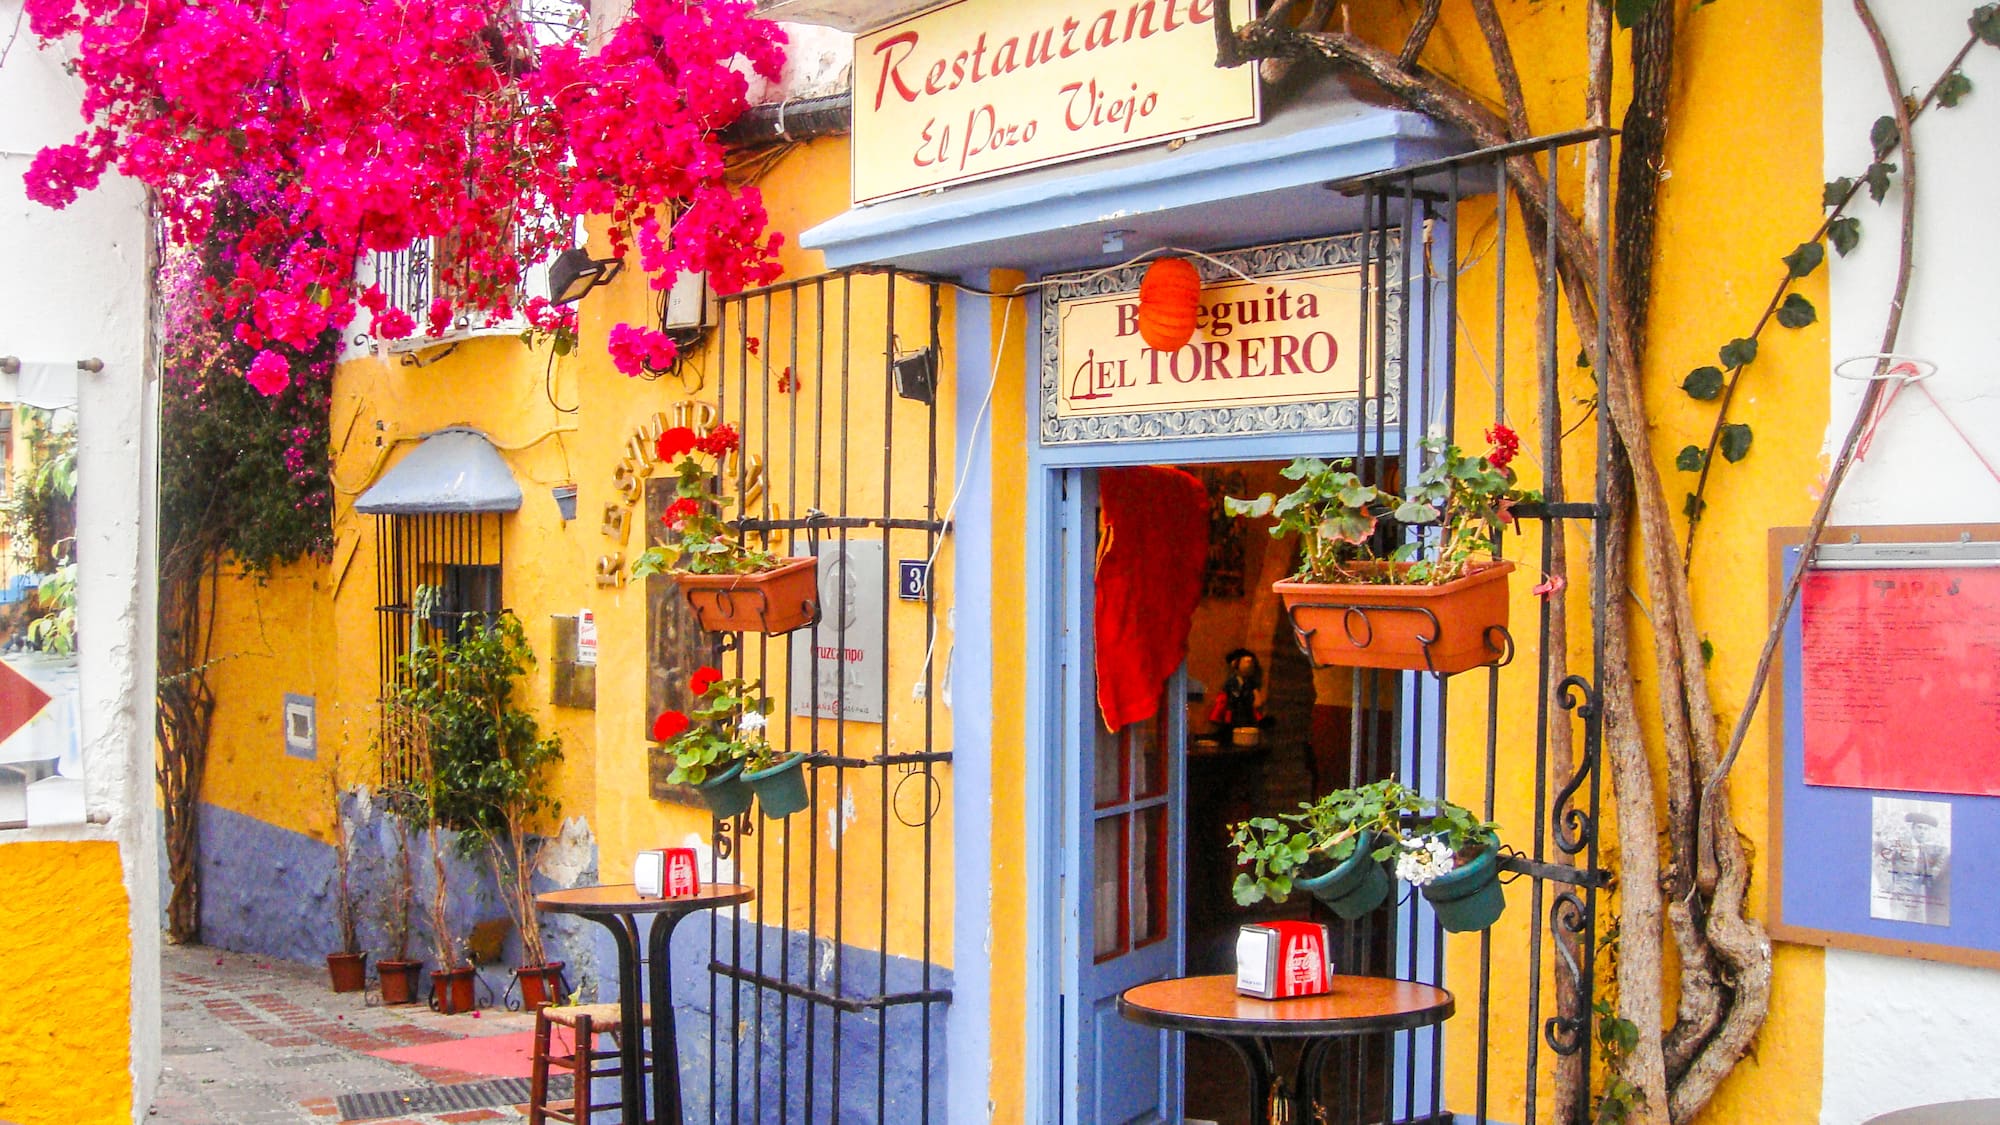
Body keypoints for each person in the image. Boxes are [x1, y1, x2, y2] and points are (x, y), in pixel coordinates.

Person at [1208, 648, 1268, 731]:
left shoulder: (1250, 683)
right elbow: (1232, 695)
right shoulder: (1232, 681)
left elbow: (1254, 693)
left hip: (1246, 711)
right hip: (1234, 711)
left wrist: (1256, 699)